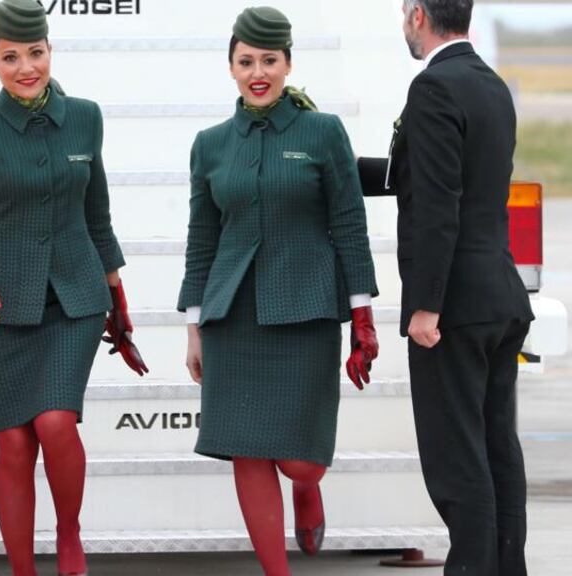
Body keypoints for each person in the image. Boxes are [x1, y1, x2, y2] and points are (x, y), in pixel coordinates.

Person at [0, 1, 147, 574]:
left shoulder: (86, 118)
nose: (27, 67)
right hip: (0, 308)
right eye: (12, 57)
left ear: (50, 51)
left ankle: (69, 535)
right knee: (13, 444)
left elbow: (98, 218)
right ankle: (22, 567)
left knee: (54, 423)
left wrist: (117, 306)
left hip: (75, 301)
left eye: (36, 53)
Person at [177, 7, 379, 575]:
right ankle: (276, 570)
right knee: (247, 449)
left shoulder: (322, 132)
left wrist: (361, 317)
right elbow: (201, 238)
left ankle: (309, 491)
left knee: (298, 461)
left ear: (288, 63)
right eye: (247, 62)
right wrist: (194, 325)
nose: (258, 72)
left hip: (307, 310)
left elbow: (348, 222)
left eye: (269, 60)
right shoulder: (210, 144)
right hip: (231, 316)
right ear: (231, 68)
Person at [357, 1, 535, 574]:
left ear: (416, 16)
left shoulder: (433, 88)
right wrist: (338, 165)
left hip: (454, 307)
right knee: (497, 450)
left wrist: (425, 307)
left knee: (458, 462)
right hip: (500, 298)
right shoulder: (490, 85)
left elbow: (438, 206)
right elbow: (440, 179)